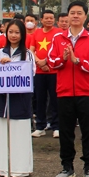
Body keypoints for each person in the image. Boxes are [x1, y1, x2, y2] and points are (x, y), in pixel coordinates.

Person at [47, 1, 89, 177]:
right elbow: (51, 61)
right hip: (64, 92)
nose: (76, 16)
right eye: (72, 13)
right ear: (67, 17)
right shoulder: (57, 38)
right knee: (65, 131)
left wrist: (76, 60)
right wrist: (63, 60)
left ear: (86, 17)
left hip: (86, 92)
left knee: (88, 131)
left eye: (79, 13)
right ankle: (67, 167)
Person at [0, 19, 35, 177]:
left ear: (22, 35)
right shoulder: (1, 52)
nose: (13, 35)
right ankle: (4, 166)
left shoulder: (27, 54)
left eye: (17, 32)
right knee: (3, 132)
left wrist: (11, 67)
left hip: (20, 99)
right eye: (10, 32)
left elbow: (30, 73)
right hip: (3, 99)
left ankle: (20, 167)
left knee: (19, 132)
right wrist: (1, 65)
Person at [30, 10, 61, 138]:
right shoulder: (36, 33)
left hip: (54, 71)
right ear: (41, 20)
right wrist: (39, 62)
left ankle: (56, 126)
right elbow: (31, 50)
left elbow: (59, 51)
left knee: (55, 100)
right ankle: (40, 126)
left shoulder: (59, 33)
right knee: (40, 99)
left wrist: (47, 62)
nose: (49, 20)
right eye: (46, 18)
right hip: (39, 72)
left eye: (51, 18)